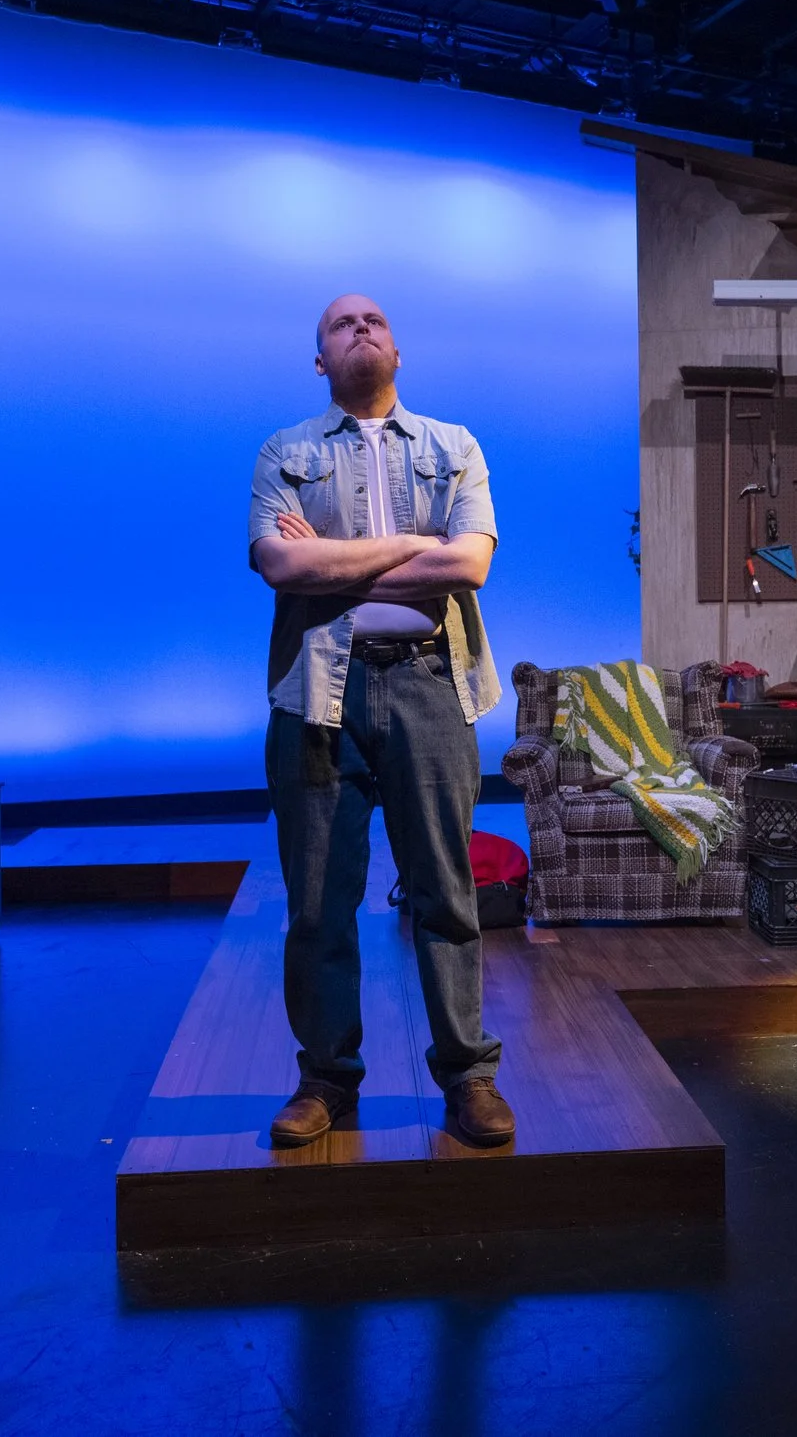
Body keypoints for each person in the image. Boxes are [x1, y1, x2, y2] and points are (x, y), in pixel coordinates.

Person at [248, 293, 513, 1148]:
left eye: (375, 320)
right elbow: (283, 566)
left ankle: (468, 1074)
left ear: (397, 351)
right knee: (319, 901)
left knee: (444, 887)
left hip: (432, 686)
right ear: (320, 360)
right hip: (318, 698)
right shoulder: (285, 451)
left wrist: (337, 567)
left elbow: (468, 563)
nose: (360, 327)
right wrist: (409, 547)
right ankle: (327, 1076)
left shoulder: (454, 444)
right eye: (339, 323)